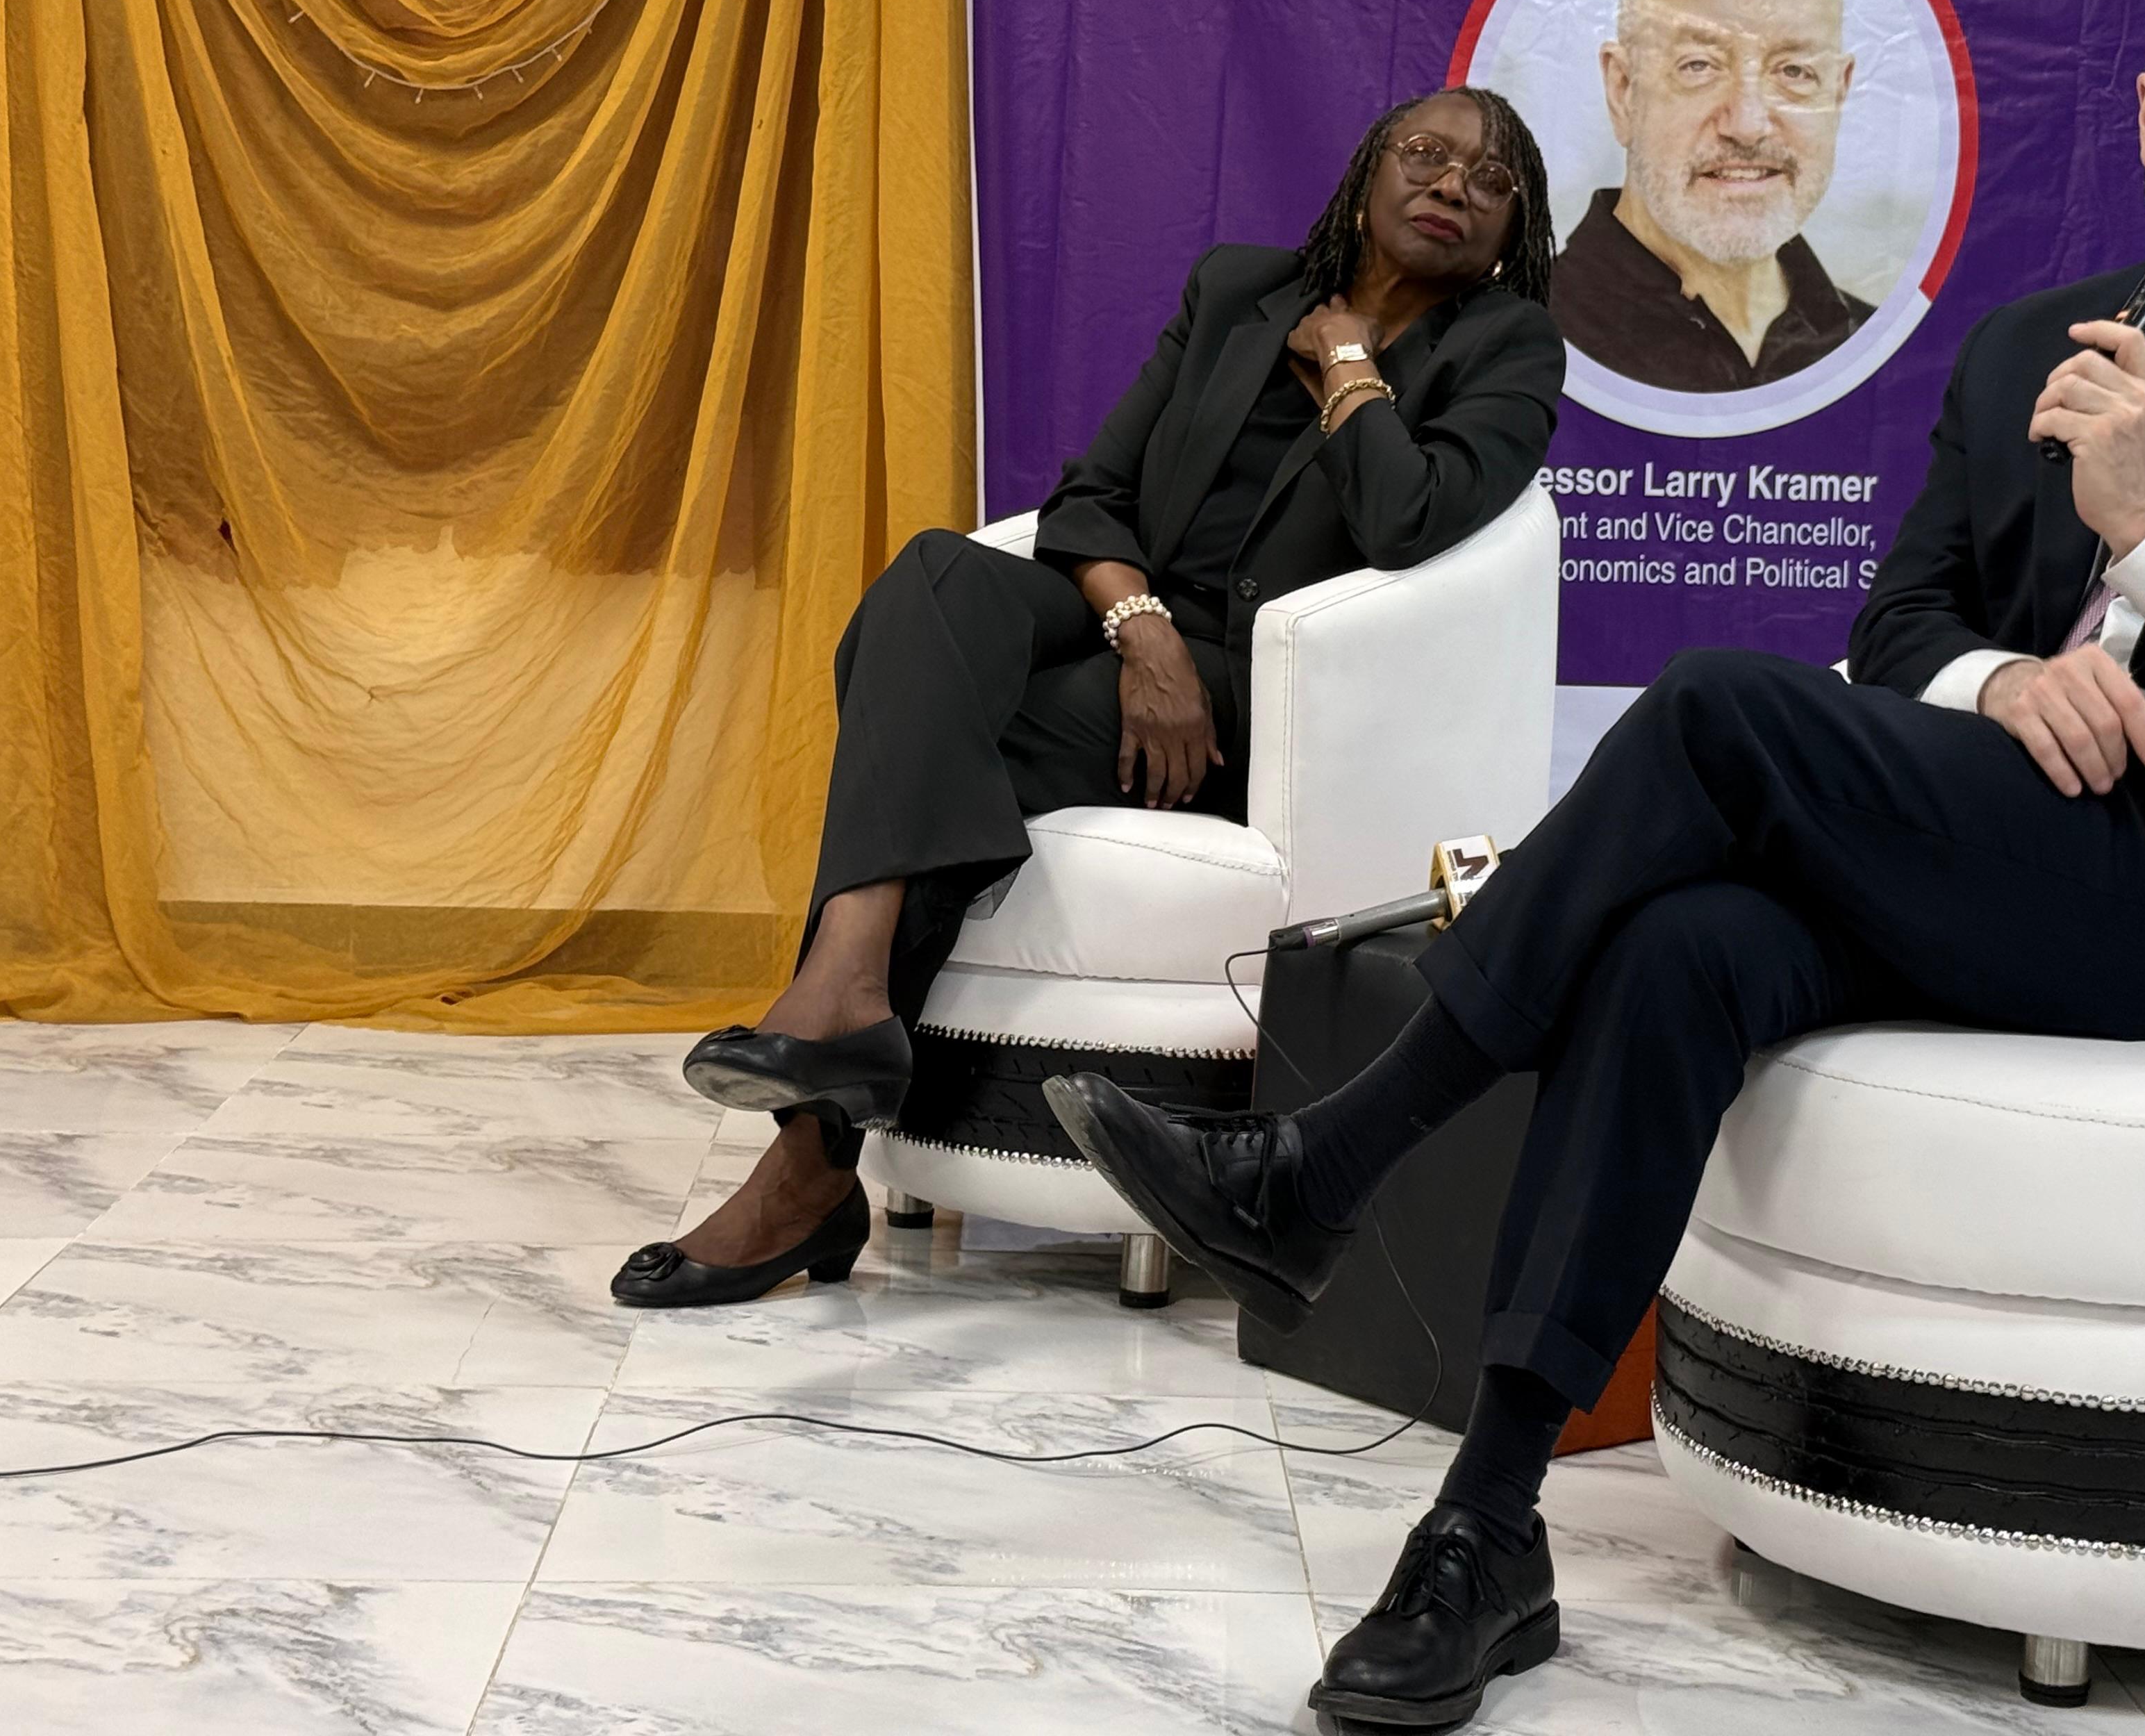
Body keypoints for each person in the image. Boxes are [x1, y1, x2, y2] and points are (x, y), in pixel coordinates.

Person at [1048, 0, 2145, 1726]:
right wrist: (2005, 679)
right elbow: (1906, 620)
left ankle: (1329, 1162)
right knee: (1681, 951)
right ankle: (1486, 1526)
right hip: (1983, 837)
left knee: (1713, 707)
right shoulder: (2041, 344)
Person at [609, 88, 1564, 1307]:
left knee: (937, 732)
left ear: (1512, 227)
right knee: (932, 580)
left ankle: (809, 1156)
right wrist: (1143, 633)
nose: (1452, 183)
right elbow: (1093, 495)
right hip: (1134, 626)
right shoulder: (1238, 288)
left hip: (1273, 691)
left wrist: (1346, 365)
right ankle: (843, 997)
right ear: (1368, 168)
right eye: (1424, 152)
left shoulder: (1509, 349)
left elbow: (1405, 517)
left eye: (1491, 179)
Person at [1550, 0, 1875, 393]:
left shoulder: (1875, 347)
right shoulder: (1521, 335)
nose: (1747, 125)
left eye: (1793, 71)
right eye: (1699, 66)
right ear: (1623, 91)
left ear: (1838, 92)